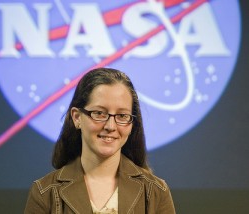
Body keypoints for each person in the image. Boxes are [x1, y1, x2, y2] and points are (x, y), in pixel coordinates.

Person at [24, 67, 176, 213]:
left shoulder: (156, 191)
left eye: (122, 116)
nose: (111, 126)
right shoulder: (45, 192)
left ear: (131, 124)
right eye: (99, 113)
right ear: (77, 117)